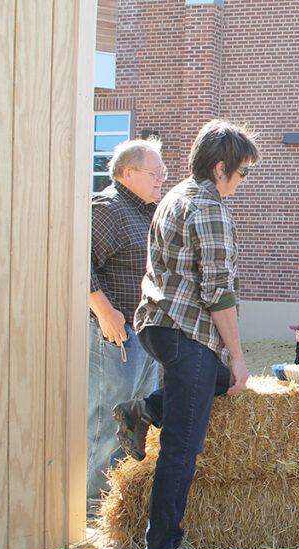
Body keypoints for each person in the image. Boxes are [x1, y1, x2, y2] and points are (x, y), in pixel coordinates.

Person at [112, 119, 259, 549]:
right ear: (221, 168)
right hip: (187, 330)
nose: (244, 180)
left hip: (159, 323)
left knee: (204, 386)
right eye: (242, 172)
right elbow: (218, 293)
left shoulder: (173, 196)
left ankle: (143, 410)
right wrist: (237, 356)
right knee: (182, 445)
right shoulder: (209, 208)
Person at [87, 138, 164, 508]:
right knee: (108, 425)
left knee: (135, 427)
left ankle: (117, 508)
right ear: (127, 173)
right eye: (155, 172)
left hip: (142, 338)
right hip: (114, 336)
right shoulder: (109, 208)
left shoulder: (145, 212)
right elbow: (76, 262)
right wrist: (103, 310)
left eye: (163, 172)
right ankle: (92, 508)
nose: (161, 179)